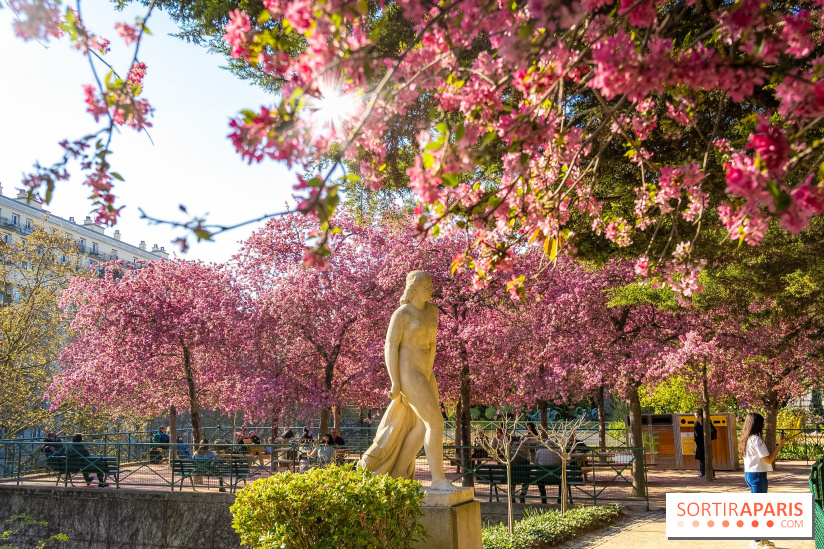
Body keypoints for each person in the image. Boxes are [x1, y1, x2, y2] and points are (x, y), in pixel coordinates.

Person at [357, 271, 455, 491]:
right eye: (427, 284)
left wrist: (429, 374)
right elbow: (390, 347)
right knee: (436, 423)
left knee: (422, 427)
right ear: (415, 287)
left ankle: (400, 472)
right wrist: (395, 382)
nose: (431, 288)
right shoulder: (402, 314)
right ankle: (438, 480)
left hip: (426, 373)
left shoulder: (432, 311)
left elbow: (432, 346)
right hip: (408, 373)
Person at [739, 412, 786, 549]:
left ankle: (760, 538)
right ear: (758, 424)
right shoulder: (757, 440)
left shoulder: (746, 439)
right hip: (758, 475)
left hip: (749, 474)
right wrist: (780, 445)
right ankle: (757, 541)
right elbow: (769, 459)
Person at [535, 439, 562, 504]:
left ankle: (543, 498)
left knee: (539, 476)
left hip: (542, 477)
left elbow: (536, 464)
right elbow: (562, 463)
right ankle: (560, 498)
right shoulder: (558, 452)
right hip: (557, 478)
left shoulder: (539, 451)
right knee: (563, 479)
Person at [694, 409, 718, 478]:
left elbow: (696, 435)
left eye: (695, 413)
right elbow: (714, 430)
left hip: (700, 443)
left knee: (702, 458)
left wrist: (697, 442)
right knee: (707, 457)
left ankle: (703, 472)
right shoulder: (707, 421)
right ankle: (710, 473)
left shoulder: (697, 423)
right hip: (707, 442)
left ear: (697, 414)